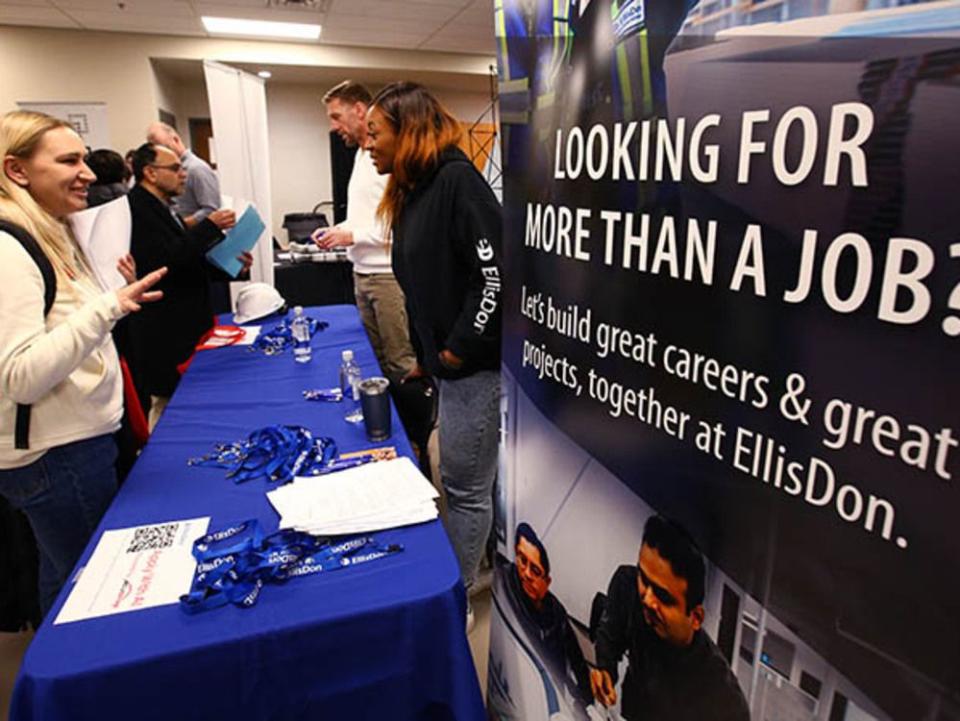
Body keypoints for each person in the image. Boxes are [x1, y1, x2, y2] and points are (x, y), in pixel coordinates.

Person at [0, 110, 166, 614]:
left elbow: (67, 326)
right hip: (57, 455)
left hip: (76, 443)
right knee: (92, 592)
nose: (89, 173)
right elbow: (20, 376)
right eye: (69, 161)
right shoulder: (9, 248)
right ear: (17, 171)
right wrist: (108, 305)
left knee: (64, 576)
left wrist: (113, 292)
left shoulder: (55, 231)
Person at [367, 82, 502, 599]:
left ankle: (456, 595)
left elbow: (493, 277)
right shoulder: (414, 190)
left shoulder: (457, 183)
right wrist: (429, 357)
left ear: (408, 131)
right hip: (448, 367)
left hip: (474, 367)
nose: (367, 143)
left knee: (465, 490)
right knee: (466, 481)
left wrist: (456, 350)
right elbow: (431, 286)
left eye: (376, 132)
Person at [126, 142, 249, 429]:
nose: (183, 174)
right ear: (150, 173)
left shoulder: (164, 208)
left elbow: (189, 261)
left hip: (185, 326)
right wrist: (210, 226)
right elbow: (166, 261)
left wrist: (232, 265)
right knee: (167, 409)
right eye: (175, 168)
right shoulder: (137, 209)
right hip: (164, 333)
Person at [591, 515, 750, 721]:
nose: (647, 600)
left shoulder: (725, 701)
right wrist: (605, 668)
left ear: (695, 617)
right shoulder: (628, 586)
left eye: (663, 596)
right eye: (644, 578)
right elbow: (610, 636)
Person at [312, 80, 416, 387]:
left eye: (336, 116)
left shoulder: (389, 158)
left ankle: (414, 430)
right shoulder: (360, 156)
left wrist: (352, 236)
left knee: (400, 362)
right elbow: (365, 216)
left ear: (359, 110)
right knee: (375, 360)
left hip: (387, 276)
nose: (333, 127)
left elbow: (401, 225)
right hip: (362, 274)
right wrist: (339, 230)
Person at [504, 523, 592, 705]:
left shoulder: (556, 613)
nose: (526, 574)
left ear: (547, 581)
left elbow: (577, 661)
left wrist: (587, 702)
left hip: (550, 695)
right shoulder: (505, 582)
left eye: (535, 571)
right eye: (522, 559)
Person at [145, 121, 220, 227]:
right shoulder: (164, 171)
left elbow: (212, 209)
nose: (162, 154)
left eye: (165, 147)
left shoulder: (197, 169)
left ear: (175, 140)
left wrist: (181, 225)